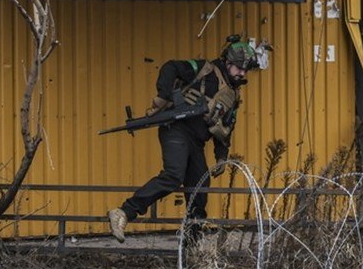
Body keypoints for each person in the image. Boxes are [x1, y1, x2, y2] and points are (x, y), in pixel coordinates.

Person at [107, 37, 260, 243]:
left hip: (196, 142)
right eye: (239, 68)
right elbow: (171, 67)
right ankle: (124, 212)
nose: (242, 73)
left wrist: (221, 156)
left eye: (245, 70)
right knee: (173, 175)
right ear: (227, 63)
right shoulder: (203, 70)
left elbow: (224, 128)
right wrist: (165, 95)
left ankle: (192, 241)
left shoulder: (232, 94)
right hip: (176, 129)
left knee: (200, 184)